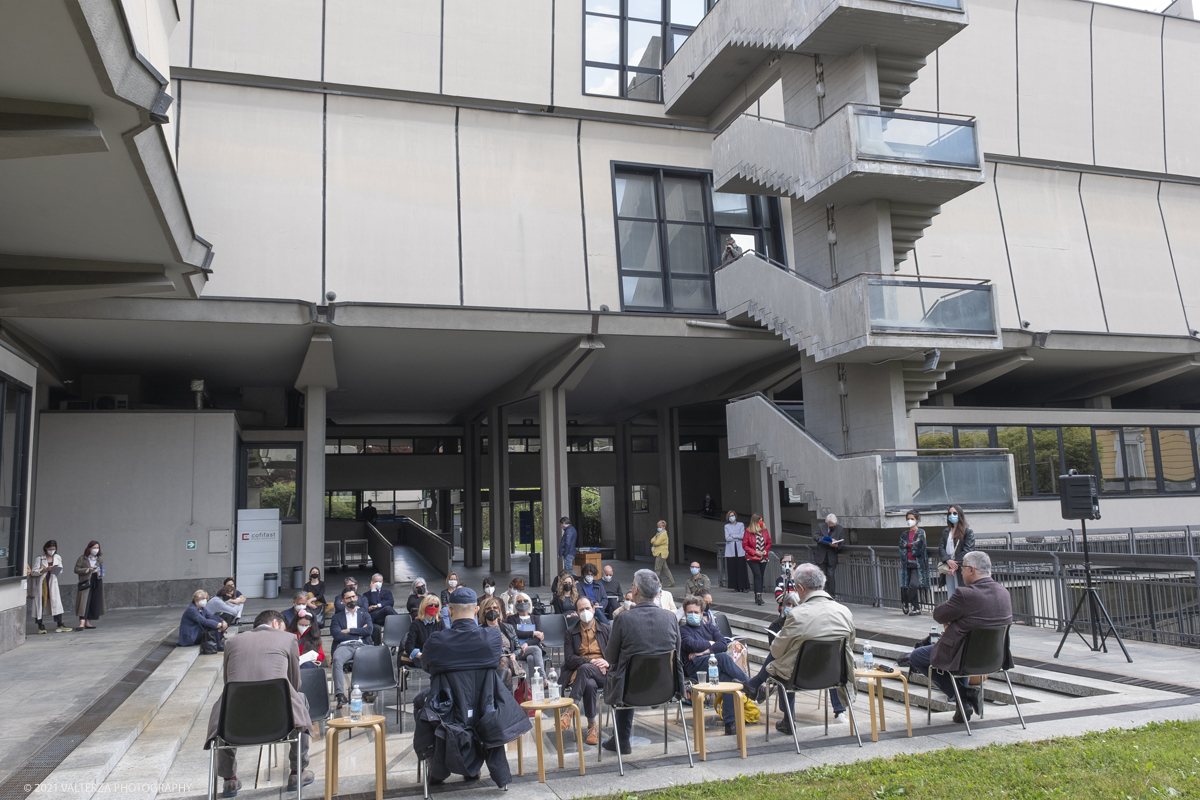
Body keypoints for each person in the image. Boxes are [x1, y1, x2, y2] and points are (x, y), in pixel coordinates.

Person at [413, 586, 526, 789]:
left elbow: (426, 666)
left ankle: (435, 762)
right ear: (476, 610)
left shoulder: (437, 640)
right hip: (484, 707)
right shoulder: (491, 638)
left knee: (419, 702)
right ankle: (471, 767)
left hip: (446, 709)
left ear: (449, 610)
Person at [205, 609, 313, 797]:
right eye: (283, 627)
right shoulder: (288, 639)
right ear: (274, 624)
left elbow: (228, 683)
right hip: (279, 722)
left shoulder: (232, 642)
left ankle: (229, 780)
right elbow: (295, 684)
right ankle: (297, 772)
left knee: (225, 705)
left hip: (236, 725)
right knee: (300, 699)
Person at [744, 564, 855, 733]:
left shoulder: (797, 614)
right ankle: (756, 685)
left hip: (801, 678)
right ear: (823, 584)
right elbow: (850, 644)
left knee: (782, 663)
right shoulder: (845, 611)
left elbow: (776, 651)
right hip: (837, 675)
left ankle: (788, 719)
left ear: (800, 588)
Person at [907, 552, 1011, 724]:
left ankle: (963, 696)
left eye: (962, 567)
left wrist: (954, 619)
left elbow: (939, 615)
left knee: (917, 656)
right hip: (995, 658)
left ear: (971, 570)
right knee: (960, 652)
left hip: (964, 657)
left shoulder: (965, 594)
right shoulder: (1004, 592)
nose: (960, 572)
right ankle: (963, 705)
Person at [602, 569, 684, 755]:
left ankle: (621, 739)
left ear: (636, 590)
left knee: (624, 674)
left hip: (629, 691)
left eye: (632, 585)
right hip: (666, 688)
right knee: (630, 673)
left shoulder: (623, 618)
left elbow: (610, 658)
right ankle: (620, 739)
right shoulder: (671, 618)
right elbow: (676, 655)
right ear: (657, 593)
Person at [679, 596, 750, 735]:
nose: (693, 615)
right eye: (689, 612)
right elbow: (691, 644)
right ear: (685, 613)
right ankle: (751, 686)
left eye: (696, 612)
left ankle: (730, 723)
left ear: (701, 613)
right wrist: (711, 644)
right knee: (722, 658)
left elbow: (723, 644)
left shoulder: (710, 627)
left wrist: (703, 652)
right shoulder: (683, 630)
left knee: (727, 678)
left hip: (710, 663)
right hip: (694, 668)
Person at [558, 595, 609, 745]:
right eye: (581, 610)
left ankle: (569, 711)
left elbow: (617, 655)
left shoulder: (606, 630)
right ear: (577, 613)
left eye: (587, 608)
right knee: (589, 683)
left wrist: (607, 662)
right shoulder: (570, 633)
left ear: (593, 609)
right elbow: (569, 659)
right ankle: (592, 727)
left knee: (586, 670)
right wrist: (591, 661)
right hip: (580, 672)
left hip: (604, 673)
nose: (585, 611)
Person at [330, 586, 373, 706]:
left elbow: (369, 630)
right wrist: (358, 634)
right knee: (337, 659)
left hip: (362, 645)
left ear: (357, 597)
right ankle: (340, 695)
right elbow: (337, 635)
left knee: (371, 657)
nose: (351, 600)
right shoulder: (337, 617)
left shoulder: (364, 614)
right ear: (343, 601)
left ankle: (368, 689)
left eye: (353, 597)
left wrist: (349, 630)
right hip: (345, 646)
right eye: (348, 598)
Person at [479, 596, 521, 691]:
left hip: (508, 658)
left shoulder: (508, 628)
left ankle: (494, 692)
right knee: (508, 673)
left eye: (495, 608)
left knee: (504, 659)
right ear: (483, 611)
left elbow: (518, 648)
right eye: (488, 608)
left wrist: (514, 654)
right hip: (490, 661)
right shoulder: (479, 630)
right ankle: (506, 703)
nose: (492, 610)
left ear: (499, 610)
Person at [504, 592, 547, 679]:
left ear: (529, 603)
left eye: (525, 601)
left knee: (531, 658)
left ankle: (533, 686)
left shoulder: (535, 618)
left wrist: (527, 643)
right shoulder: (512, 619)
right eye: (519, 601)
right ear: (515, 605)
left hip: (531, 649)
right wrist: (533, 633)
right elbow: (515, 633)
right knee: (536, 649)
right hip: (519, 650)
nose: (522, 603)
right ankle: (543, 678)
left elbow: (538, 638)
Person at [30, 539, 68, 634]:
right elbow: (33, 572)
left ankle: (60, 624)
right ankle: (40, 626)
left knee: (56, 603)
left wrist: (56, 569)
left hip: (52, 583)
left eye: (54, 549)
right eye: (50, 549)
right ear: (46, 548)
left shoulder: (58, 557)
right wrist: (45, 569)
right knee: (40, 604)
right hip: (42, 584)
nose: (52, 551)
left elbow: (61, 569)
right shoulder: (40, 558)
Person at [939, 505, 976, 599]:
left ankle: (963, 613)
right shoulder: (946, 531)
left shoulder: (967, 531)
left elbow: (968, 550)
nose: (952, 515)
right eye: (950, 513)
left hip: (961, 567)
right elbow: (941, 547)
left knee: (961, 592)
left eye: (955, 513)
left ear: (960, 515)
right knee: (951, 593)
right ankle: (953, 613)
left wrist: (955, 565)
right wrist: (948, 560)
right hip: (948, 566)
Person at [899, 510, 930, 616]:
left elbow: (920, 545)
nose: (909, 521)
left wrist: (908, 545)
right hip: (906, 563)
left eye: (912, 519)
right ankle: (916, 608)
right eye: (908, 519)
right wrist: (910, 544)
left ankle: (905, 601)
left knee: (914, 585)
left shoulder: (921, 532)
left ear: (917, 520)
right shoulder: (904, 534)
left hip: (918, 564)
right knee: (907, 585)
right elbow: (901, 545)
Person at [405, 594, 445, 669]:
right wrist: (423, 656)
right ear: (424, 606)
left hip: (437, 657)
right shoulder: (416, 624)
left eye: (436, 605)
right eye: (430, 605)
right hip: (421, 657)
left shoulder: (440, 622)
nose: (433, 607)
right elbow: (409, 646)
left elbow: (446, 640)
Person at [74, 540, 104, 630]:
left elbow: (102, 569)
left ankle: (88, 622)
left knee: (93, 601)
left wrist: (100, 572)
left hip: (96, 580)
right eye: (94, 548)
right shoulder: (82, 558)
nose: (96, 549)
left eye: (97, 548)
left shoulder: (99, 559)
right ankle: (81, 623)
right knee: (84, 601)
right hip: (86, 580)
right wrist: (87, 570)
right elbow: (76, 569)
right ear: (89, 548)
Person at [813, 513, 844, 599]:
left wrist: (837, 545)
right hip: (821, 555)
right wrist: (826, 541)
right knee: (821, 576)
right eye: (831, 525)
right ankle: (821, 594)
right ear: (827, 523)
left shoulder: (839, 529)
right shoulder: (820, 526)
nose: (833, 526)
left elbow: (842, 542)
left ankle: (831, 596)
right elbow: (815, 537)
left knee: (831, 575)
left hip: (832, 555)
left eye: (834, 524)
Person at [744, 513, 773, 605]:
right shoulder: (748, 531)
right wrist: (755, 552)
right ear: (755, 521)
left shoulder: (764, 530)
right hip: (752, 557)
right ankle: (759, 595)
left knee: (761, 575)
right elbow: (745, 545)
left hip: (763, 557)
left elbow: (768, 542)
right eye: (759, 520)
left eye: (762, 520)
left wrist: (765, 550)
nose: (761, 522)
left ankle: (758, 595)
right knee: (757, 575)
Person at [362, 573, 398, 644]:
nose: (378, 583)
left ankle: (394, 642)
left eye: (380, 581)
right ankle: (401, 622)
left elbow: (391, 602)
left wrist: (378, 605)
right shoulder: (366, 595)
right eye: (375, 582)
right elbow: (373, 602)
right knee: (387, 608)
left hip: (385, 617)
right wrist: (373, 591)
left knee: (388, 608)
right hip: (375, 617)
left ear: (382, 582)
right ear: (371, 582)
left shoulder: (387, 592)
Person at [724, 511, 748, 593]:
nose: (731, 517)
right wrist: (736, 536)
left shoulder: (740, 524)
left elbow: (743, 536)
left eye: (732, 515)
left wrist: (733, 535)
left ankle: (743, 586)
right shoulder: (726, 526)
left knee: (741, 568)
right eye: (729, 516)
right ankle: (735, 587)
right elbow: (727, 538)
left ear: (735, 516)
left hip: (740, 549)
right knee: (732, 568)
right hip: (731, 550)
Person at [651, 519, 675, 588]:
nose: (659, 528)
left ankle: (655, 583)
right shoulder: (659, 534)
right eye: (658, 526)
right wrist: (654, 541)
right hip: (662, 553)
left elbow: (656, 542)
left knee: (657, 568)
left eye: (660, 526)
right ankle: (671, 582)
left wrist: (654, 541)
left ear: (664, 527)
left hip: (661, 553)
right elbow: (652, 540)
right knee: (665, 568)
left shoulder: (663, 534)